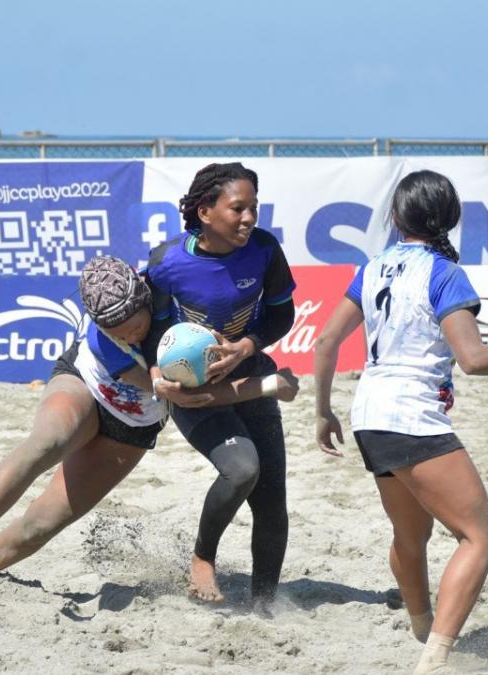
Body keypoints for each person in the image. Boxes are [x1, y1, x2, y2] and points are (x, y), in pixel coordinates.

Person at [313, 170, 488, 674]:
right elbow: (475, 359)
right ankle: (436, 658)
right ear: (450, 219)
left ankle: (422, 627)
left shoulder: (373, 266)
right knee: (481, 536)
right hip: (410, 415)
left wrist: (322, 410)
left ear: (396, 217)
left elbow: (325, 342)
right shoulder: (445, 274)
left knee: (410, 535)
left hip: (368, 413)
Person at [0, 256, 298, 591]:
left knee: (42, 523)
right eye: (115, 330)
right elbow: (174, 393)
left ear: (145, 305)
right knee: (47, 442)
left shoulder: (176, 324)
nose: (126, 335)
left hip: (133, 427)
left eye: (132, 326)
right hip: (86, 384)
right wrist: (268, 386)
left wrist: (265, 384)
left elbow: (203, 395)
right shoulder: (103, 340)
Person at [143, 162, 296, 611]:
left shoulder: (265, 250)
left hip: (248, 373)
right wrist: (158, 376)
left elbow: (281, 315)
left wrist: (246, 345)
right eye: (238, 208)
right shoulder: (166, 262)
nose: (249, 218)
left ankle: (264, 605)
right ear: (205, 211)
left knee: (271, 500)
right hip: (191, 389)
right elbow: (147, 330)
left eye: (254, 207)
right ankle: (202, 558)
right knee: (242, 468)